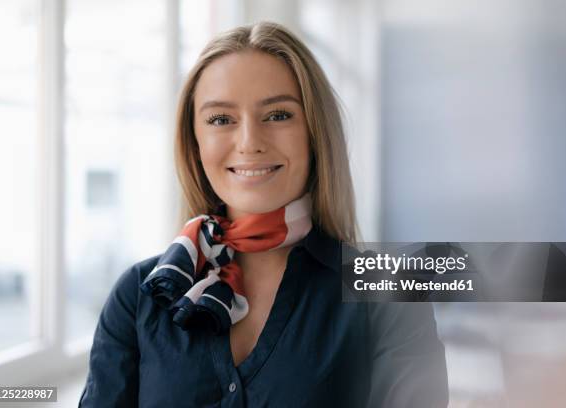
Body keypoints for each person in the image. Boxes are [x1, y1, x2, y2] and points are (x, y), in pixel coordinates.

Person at [78, 21, 448, 407]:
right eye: (221, 119)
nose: (250, 142)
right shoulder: (137, 297)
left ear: (315, 132)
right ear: (195, 143)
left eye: (277, 115)